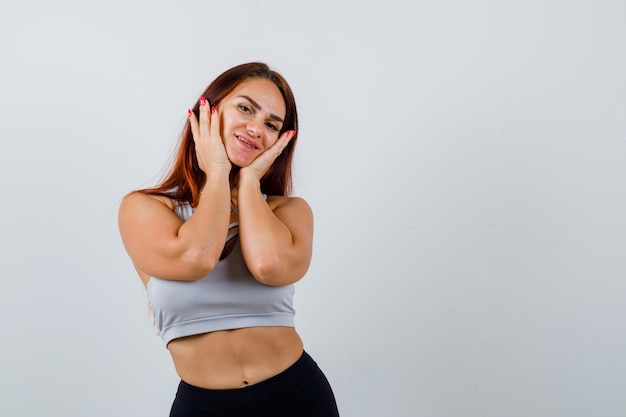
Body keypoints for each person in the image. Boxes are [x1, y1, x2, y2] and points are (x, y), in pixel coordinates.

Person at [118, 62, 340, 417]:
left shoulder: (289, 212)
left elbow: (268, 265)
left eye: (272, 125)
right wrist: (218, 172)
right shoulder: (144, 208)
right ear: (210, 110)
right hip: (204, 407)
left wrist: (250, 180)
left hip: (297, 396)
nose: (256, 128)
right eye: (246, 108)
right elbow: (196, 257)